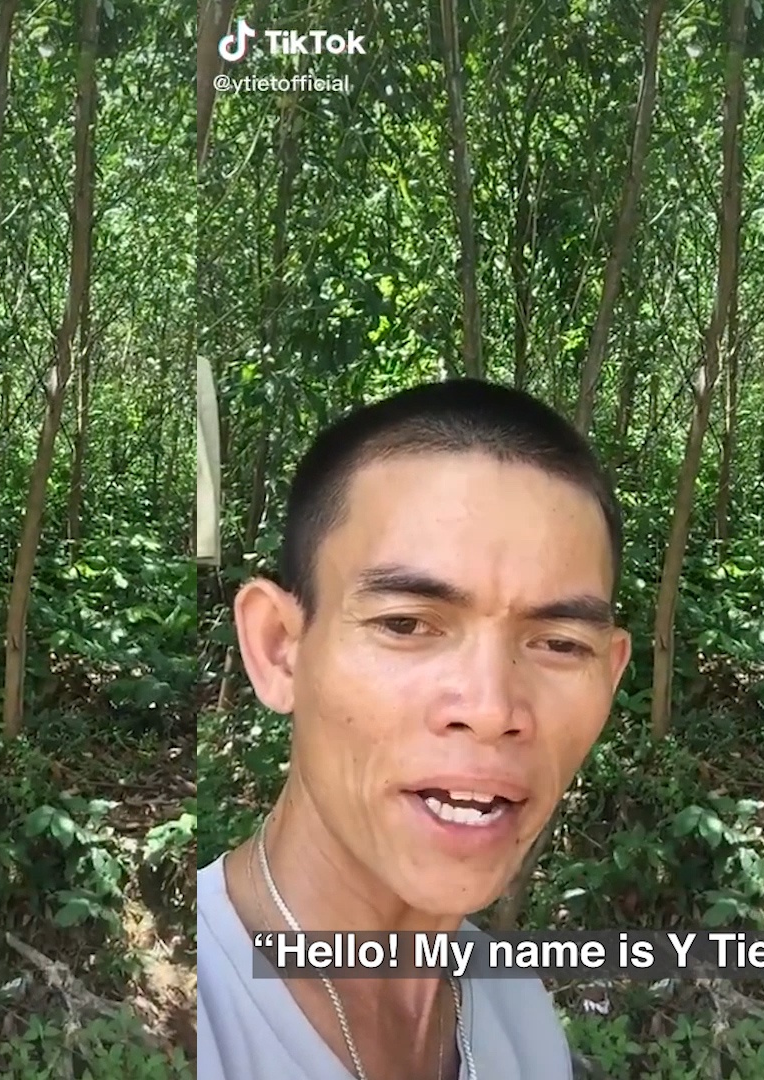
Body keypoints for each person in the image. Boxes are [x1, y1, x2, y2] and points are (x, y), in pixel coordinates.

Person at [194, 378, 633, 1080]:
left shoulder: (514, 1007)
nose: (492, 708)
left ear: (608, 680)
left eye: (558, 644)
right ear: (279, 647)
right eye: (405, 624)